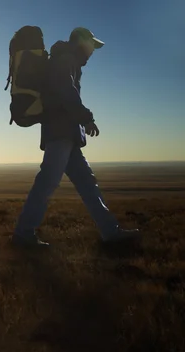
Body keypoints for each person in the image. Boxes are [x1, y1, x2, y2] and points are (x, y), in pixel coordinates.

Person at [12, 27, 140, 247]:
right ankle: (23, 234)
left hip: (66, 134)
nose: (92, 52)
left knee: (87, 183)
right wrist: (86, 118)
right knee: (48, 183)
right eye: (92, 46)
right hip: (60, 133)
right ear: (82, 43)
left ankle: (111, 232)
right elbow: (66, 91)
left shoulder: (64, 59)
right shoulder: (64, 60)